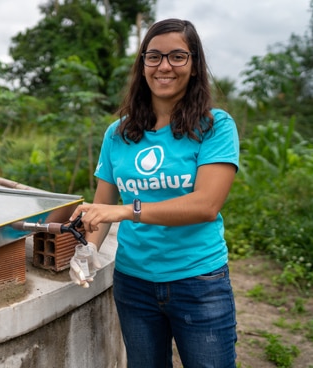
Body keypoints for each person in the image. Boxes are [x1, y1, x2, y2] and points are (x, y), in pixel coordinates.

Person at [69, 18, 240, 367]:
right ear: (142, 64)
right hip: (133, 283)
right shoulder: (118, 133)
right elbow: (103, 208)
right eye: (154, 56)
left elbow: (206, 205)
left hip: (198, 280)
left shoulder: (214, 126)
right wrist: (87, 251)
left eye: (178, 56)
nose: (164, 66)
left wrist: (124, 212)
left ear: (194, 65)